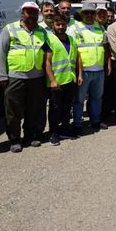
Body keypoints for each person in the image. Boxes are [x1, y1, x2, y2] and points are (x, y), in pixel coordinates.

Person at [0, 1, 48, 152]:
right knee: (13, 111)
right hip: (15, 77)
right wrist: (1, 76)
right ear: (22, 13)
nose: (32, 15)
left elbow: (48, 54)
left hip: (37, 77)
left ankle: (29, 136)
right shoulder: (10, 29)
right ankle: (14, 139)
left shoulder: (42, 31)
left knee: (33, 109)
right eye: (28, 12)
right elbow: (0, 52)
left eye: (34, 12)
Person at [68, 2, 109, 133]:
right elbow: (71, 51)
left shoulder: (100, 28)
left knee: (97, 98)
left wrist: (107, 64)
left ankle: (95, 121)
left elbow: (105, 47)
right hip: (83, 70)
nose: (89, 15)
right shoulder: (74, 28)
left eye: (92, 13)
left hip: (99, 70)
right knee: (79, 100)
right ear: (82, 14)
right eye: (86, 13)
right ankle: (78, 123)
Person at [44, 14, 82, 145]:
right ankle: (53, 133)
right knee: (55, 108)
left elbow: (77, 58)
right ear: (53, 25)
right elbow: (47, 62)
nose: (60, 27)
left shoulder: (71, 39)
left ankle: (65, 129)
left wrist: (80, 74)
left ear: (66, 24)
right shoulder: (50, 39)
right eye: (57, 24)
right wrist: (52, 80)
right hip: (57, 81)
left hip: (70, 79)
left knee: (67, 107)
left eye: (63, 24)